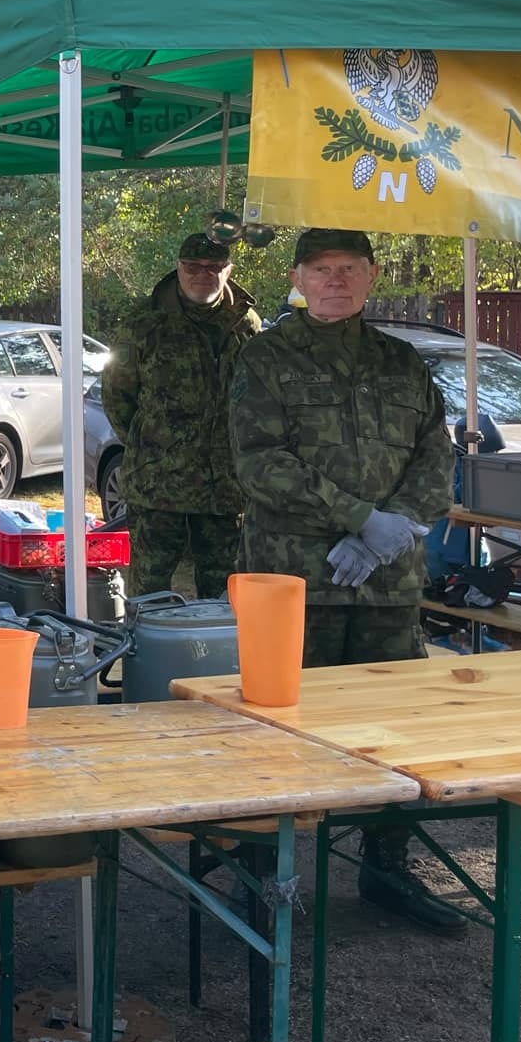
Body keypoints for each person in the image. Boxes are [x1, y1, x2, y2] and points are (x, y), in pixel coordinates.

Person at [229, 226, 458, 934]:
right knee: (282, 731)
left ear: (371, 275)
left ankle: (389, 868)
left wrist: (396, 530)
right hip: (298, 579)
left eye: (349, 268)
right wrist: (358, 518)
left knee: (398, 731)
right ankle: (266, 876)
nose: (335, 280)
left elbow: (435, 455)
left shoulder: (401, 362)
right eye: (321, 269)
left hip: (389, 583)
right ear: (297, 279)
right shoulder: (264, 358)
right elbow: (258, 462)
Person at [101, 232, 262, 599]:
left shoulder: (246, 323)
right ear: (178, 268)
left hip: (225, 487)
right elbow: (117, 396)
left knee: (223, 593)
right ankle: (148, 657)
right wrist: (153, 444)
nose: (203, 274)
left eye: (214, 267)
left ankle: (216, 657)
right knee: (149, 589)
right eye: (193, 266)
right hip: (159, 485)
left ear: (228, 269)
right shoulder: (145, 322)